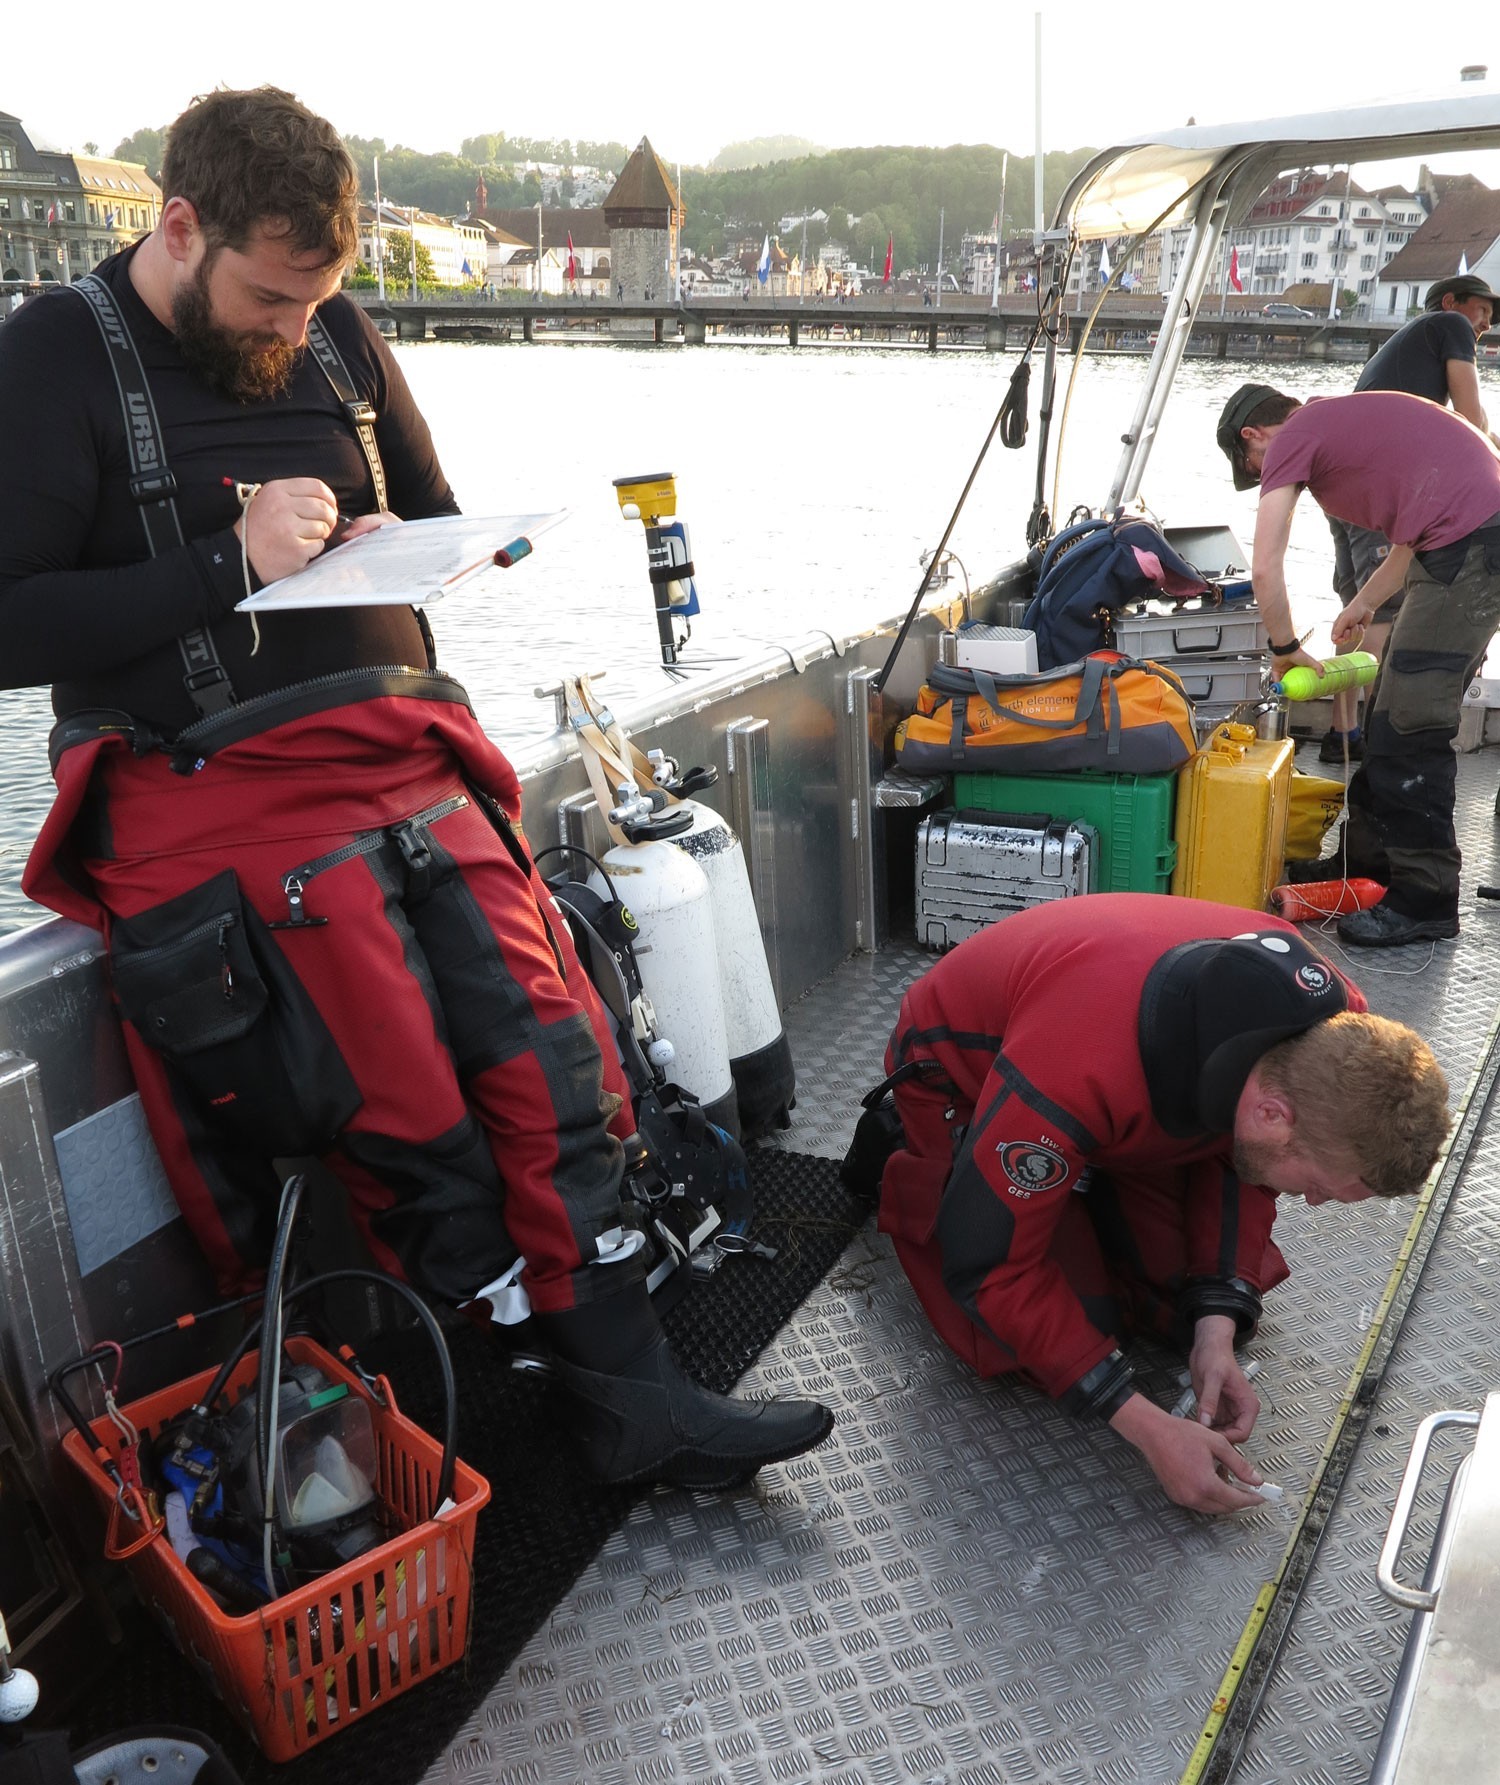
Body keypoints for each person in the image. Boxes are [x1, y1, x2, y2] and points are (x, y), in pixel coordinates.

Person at [0, 87, 832, 1491]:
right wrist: (228, 563)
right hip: (218, 792)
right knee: (404, 1104)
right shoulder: (55, 357)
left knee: (553, 1052)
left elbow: (434, 509)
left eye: (312, 301)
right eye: (266, 298)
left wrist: (420, 542)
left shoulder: (333, 324)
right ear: (180, 224)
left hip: (408, 754)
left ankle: (628, 1384)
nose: (288, 330)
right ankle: (486, 1384)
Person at [856, 895, 1448, 1514]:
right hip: (967, 1076)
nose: (1315, 1203)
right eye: (1320, 1187)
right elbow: (987, 1266)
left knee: (1186, 1309)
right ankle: (916, 1160)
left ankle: (1086, 1177)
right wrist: (1146, 1427)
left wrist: (1212, 1334)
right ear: (1272, 1114)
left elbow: (1247, 1165)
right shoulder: (1077, 1067)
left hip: (1138, 1084)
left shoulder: (1335, 1041)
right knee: (1042, 1340)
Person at [1217, 379, 1500, 945]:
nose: (1263, 476)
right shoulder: (1340, 423)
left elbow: (1265, 567)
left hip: (1472, 547)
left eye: (1252, 464)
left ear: (1253, 435)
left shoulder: (1295, 436)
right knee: (1388, 721)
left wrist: (1282, 649)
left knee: (1410, 730)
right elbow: (1412, 536)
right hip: (1458, 541)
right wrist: (1364, 603)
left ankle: (1426, 899)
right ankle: (1365, 867)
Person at [1321, 273, 1498, 761]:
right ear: (1450, 302)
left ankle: (1343, 736)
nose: (1486, 324)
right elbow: (1472, 422)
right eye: (1482, 310)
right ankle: (1380, 737)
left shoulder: (1409, 350)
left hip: (1345, 486)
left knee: (1356, 611)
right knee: (1384, 615)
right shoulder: (1449, 325)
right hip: (1380, 486)